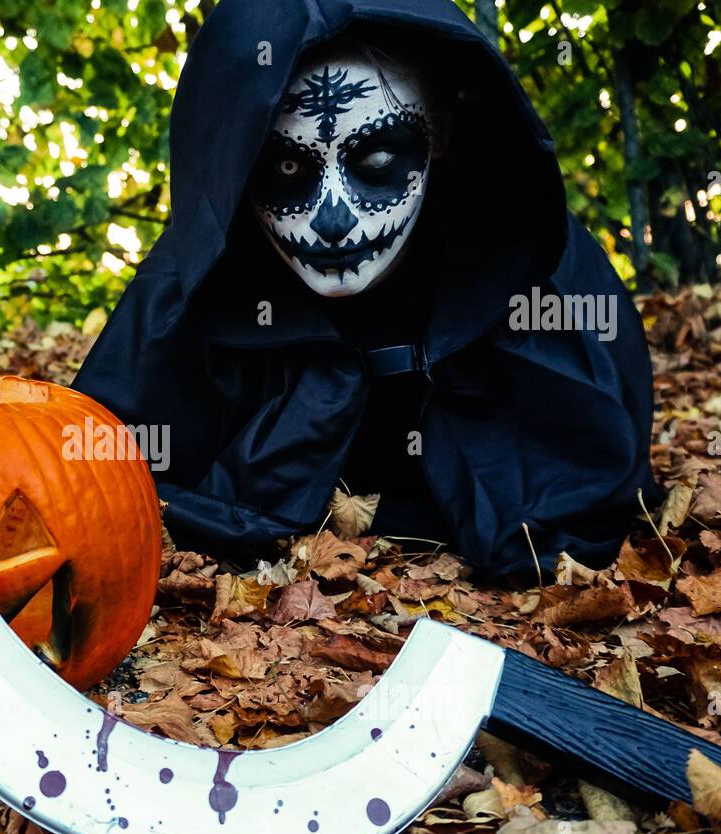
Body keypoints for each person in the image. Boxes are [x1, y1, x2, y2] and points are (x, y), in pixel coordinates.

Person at [72, 0, 659, 578]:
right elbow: (96, 476)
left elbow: (592, 480)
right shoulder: (186, 290)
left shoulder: (536, 268)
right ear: (236, 165)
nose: (334, 221)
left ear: (442, 135)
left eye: (377, 161)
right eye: (285, 169)